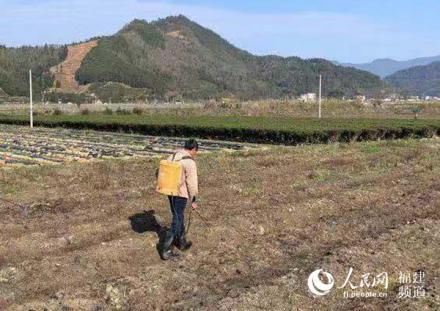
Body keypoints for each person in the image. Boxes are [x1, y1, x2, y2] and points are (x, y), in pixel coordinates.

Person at [160, 139, 199, 260]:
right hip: (180, 193)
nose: (195, 154)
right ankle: (166, 249)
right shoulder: (189, 162)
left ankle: (181, 242)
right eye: (196, 152)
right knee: (177, 218)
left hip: (169, 191)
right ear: (193, 149)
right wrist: (194, 199)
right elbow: (192, 182)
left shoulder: (172, 155)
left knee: (178, 215)